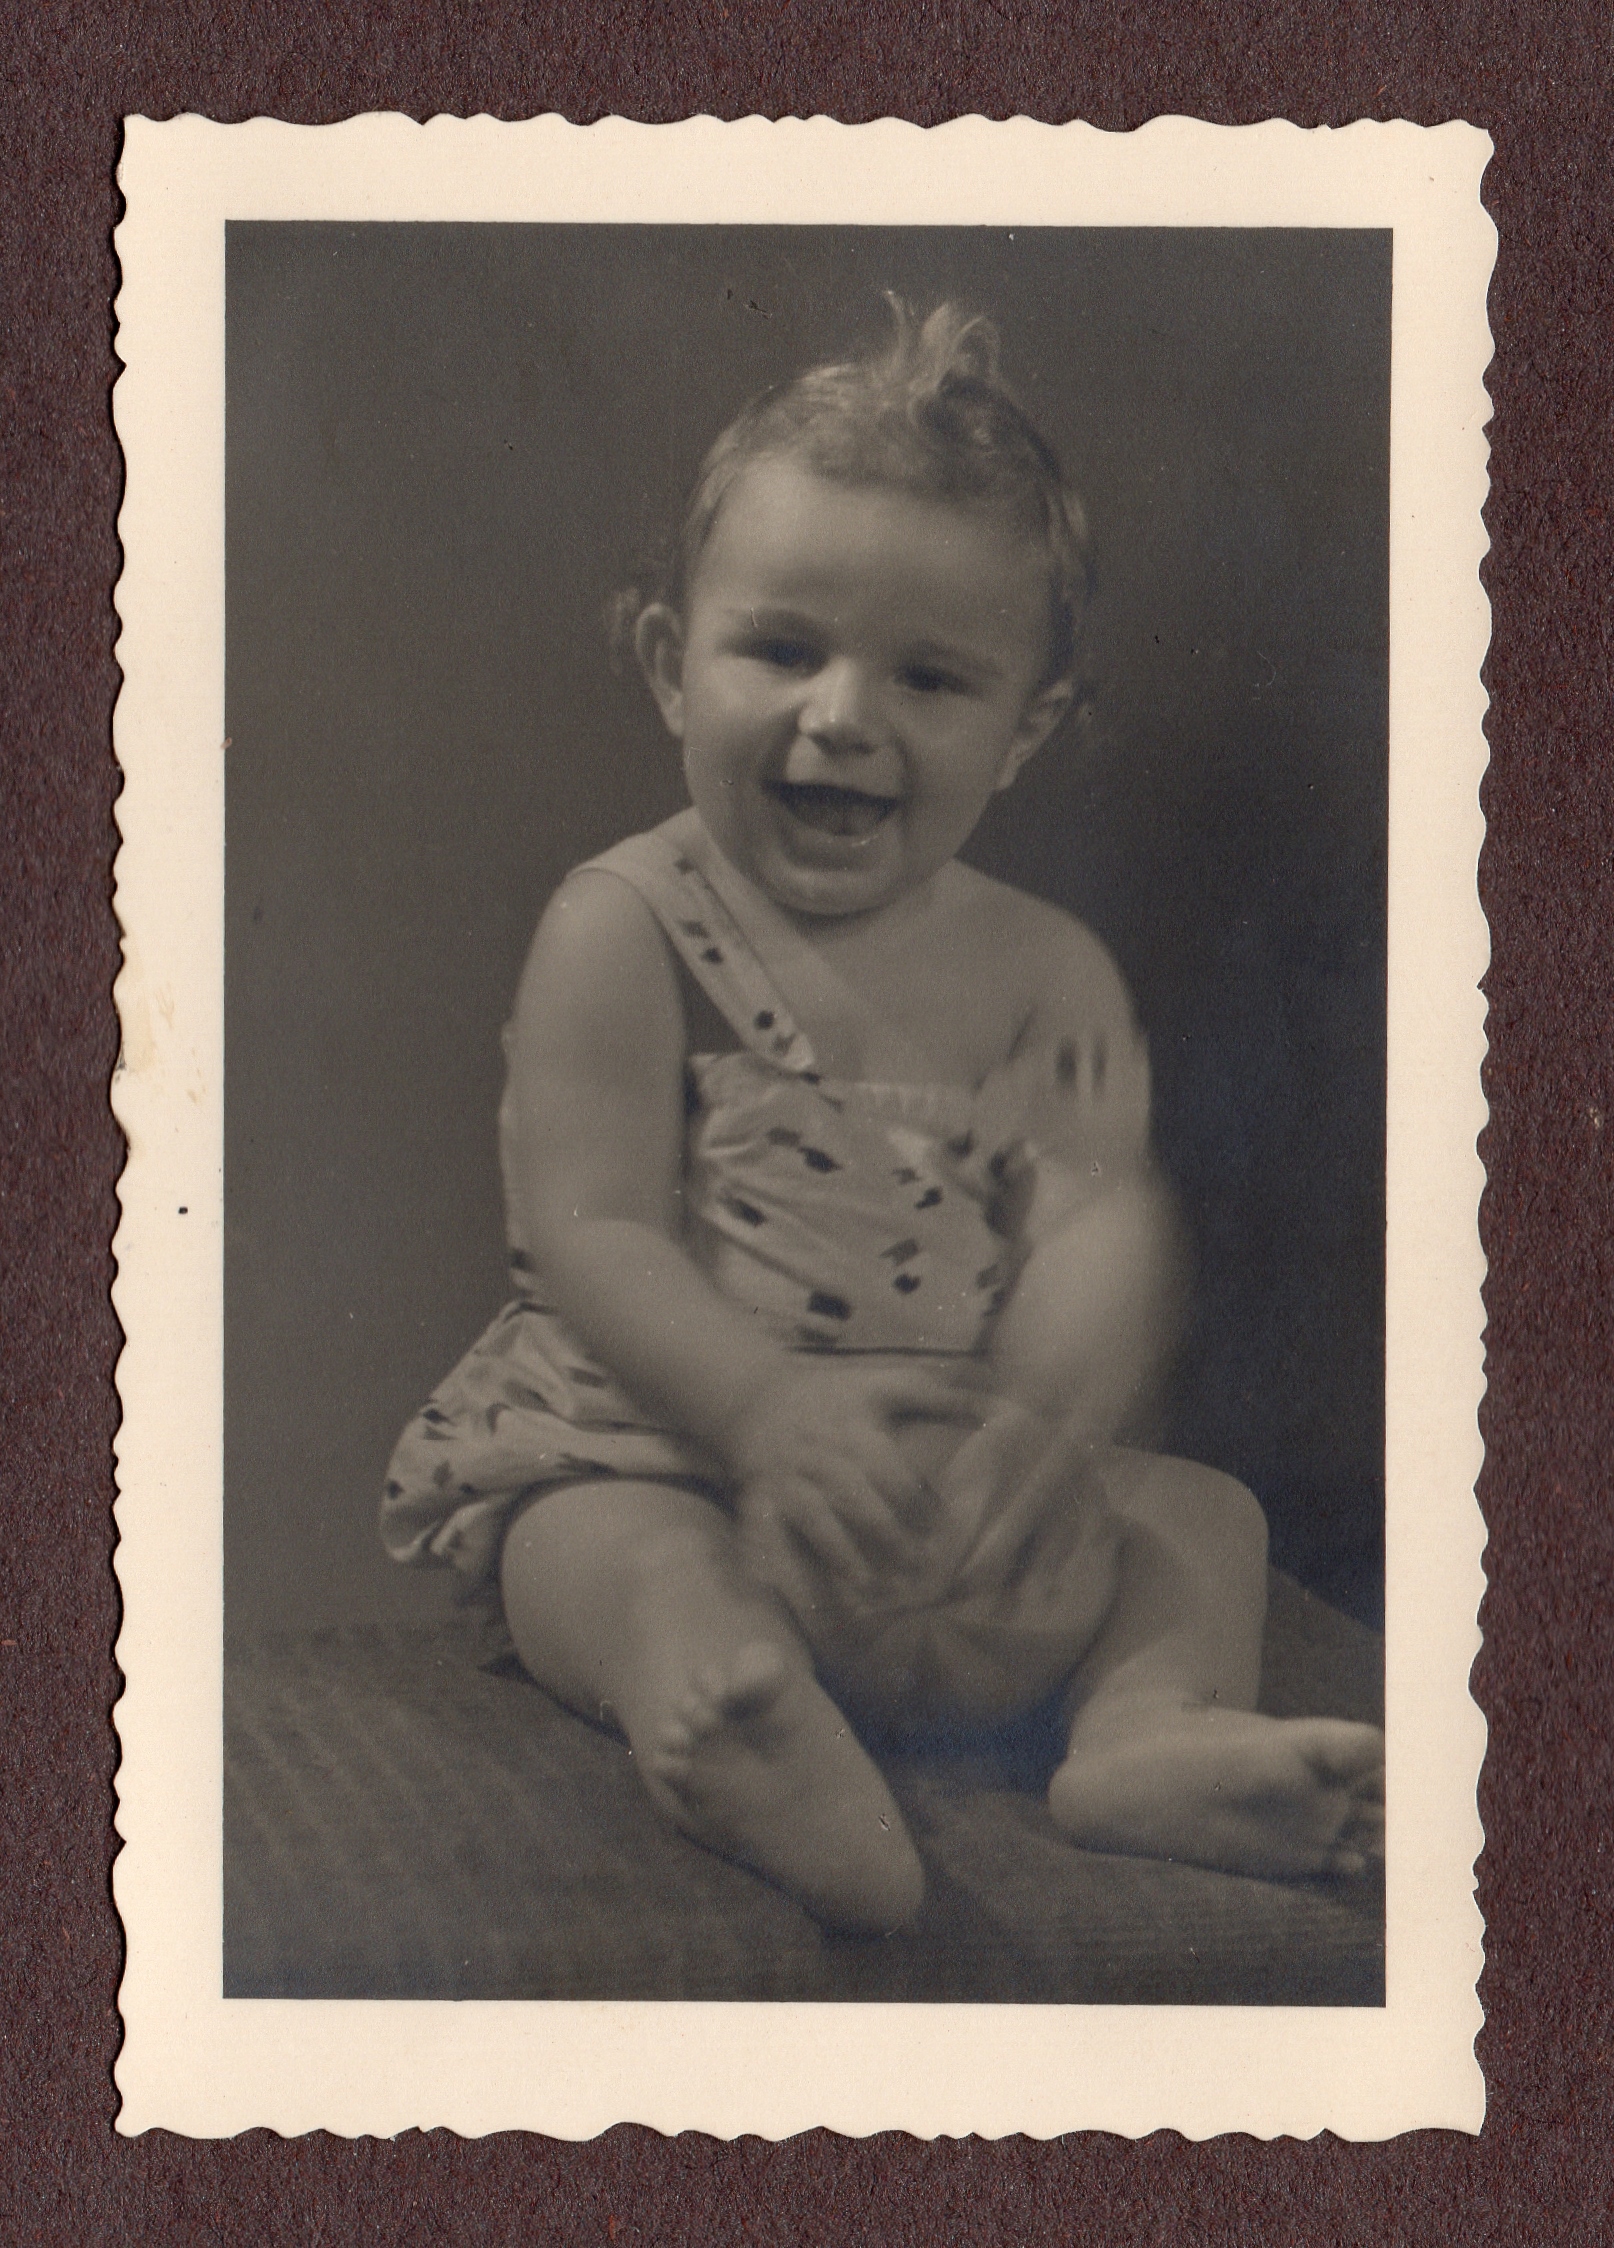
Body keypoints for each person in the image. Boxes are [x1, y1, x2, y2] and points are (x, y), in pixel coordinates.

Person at [381, 301, 1384, 1935]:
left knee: (1203, 1515)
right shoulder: (622, 928)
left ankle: (1142, 1732)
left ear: (1023, 729)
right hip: (674, 1447)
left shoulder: (1044, 971)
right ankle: (731, 1713)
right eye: (783, 650)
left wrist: (1042, 1425)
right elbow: (591, 1228)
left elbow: (1093, 1223)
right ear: (670, 665)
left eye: (929, 676)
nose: (844, 715)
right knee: (590, 1548)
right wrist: (762, 1411)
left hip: (934, 1493)